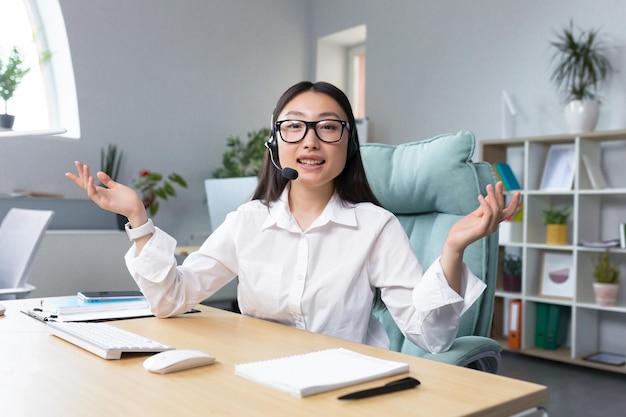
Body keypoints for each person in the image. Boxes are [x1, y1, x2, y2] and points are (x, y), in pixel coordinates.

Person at [66, 81, 520, 353]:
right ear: (276, 143)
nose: (310, 141)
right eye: (294, 126)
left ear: (348, 143)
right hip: (259, 382)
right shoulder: (248, 221)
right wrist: (138, 219)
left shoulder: (375, 226)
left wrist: (453, 249)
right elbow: (170, 299)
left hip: (348, 391)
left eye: (328, 126)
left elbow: (432, 338)